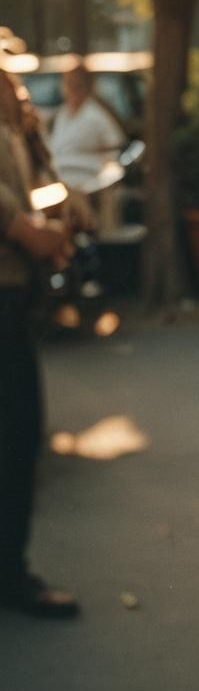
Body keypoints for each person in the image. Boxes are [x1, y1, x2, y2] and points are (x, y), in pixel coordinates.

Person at [0, 69, 78, 618]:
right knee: (15, 437)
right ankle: (11, 579)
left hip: (14, 301)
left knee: (17, 440)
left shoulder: (15, 126)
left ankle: (10, 575)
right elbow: (16, 221)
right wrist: (37, 234)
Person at [49, 63, 125, 192]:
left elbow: (114, 152)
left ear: (86, 87)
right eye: (68, 83)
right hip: (59, 184)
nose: (71, 89)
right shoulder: (63, 114)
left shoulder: (96, 116)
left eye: (76, 85)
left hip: (87, 185)